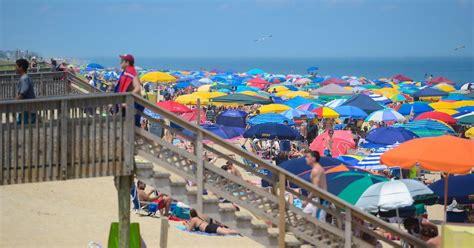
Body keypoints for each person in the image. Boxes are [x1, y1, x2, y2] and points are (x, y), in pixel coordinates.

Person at [116, 54, 143, 126]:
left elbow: (137, 88)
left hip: (133, 105)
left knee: (132, 128)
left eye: (122, 61)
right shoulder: (125, 73)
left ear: (127, 63)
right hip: (128, 105)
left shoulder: (132, 73)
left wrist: (127, 99)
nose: (120, 62)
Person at [303, 151, 328, 222]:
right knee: (305, 216)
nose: (306, 159)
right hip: (316, 199)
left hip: (321, 199)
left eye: (308, 157)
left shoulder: (316, 170)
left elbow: (315, 189)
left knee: (319, 224)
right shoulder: (317, 169)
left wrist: (307, 200)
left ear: (313, 159)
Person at [15, 59, 36, 124]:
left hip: (26, 110)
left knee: (24, 129)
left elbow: (22, 93)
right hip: (27, 109)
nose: (15, 68)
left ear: (21, 68)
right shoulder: (27, 77)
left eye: (16, 66)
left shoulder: (24, 79)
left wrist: (14, 102)